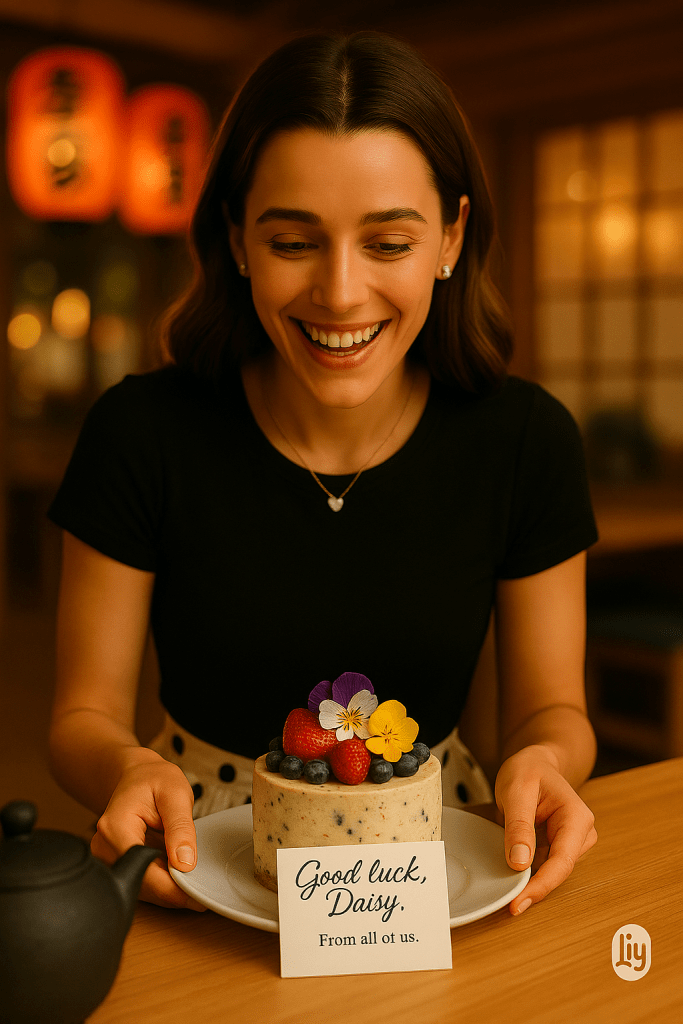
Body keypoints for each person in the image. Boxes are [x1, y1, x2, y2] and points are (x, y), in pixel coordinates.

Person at [48, 31, 598, 917]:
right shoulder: (140, 432)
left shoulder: (524, 439)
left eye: (387, 244)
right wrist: (125, 768)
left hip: (433, 858)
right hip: (195, 857)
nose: (340, 294)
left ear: (450, 238)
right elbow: (81, 717)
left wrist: (543, 764)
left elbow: (551, 713)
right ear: (236, 239)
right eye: (294, 242)